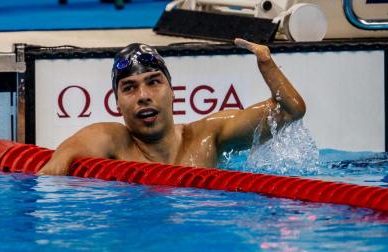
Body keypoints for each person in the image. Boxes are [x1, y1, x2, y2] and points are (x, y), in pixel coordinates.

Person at [38, 38, 306, 175]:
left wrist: (266, 64)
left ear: (172, 91)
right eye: (129, 87)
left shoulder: (207, 136)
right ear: (117, 104)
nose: (143, 95)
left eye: (153, 82)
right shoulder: (115, 140)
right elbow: (67, 154)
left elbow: (291, 110)